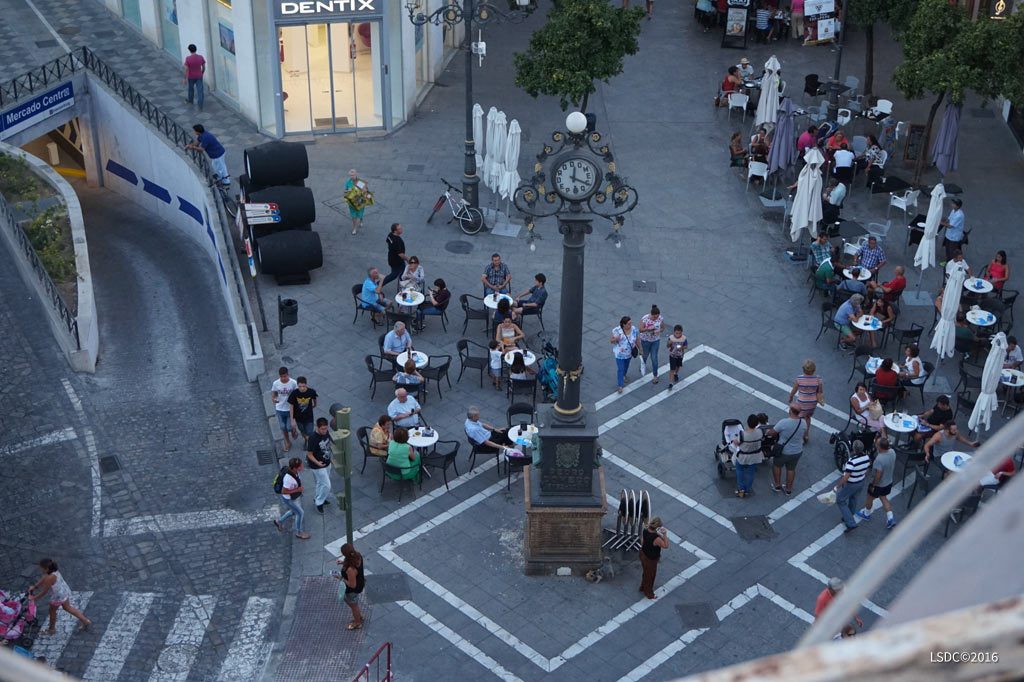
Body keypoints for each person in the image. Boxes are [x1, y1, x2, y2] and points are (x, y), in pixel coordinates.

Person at [28, 558, 91, 635]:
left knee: (52, 611)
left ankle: (51, 629)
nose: (41, 570)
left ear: (46, 569)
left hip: (58, 597)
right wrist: (35, 586)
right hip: (64, 591)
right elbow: (44, 578)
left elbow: (44, 591)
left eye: (42, 568)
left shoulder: (49, 578)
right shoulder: (53, 572)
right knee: (67, 607)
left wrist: (34, 598)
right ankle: (85, 621)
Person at [857, 435, 897, 528]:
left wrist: (873, 484)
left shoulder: (879, 460)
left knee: (869, 498)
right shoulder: (892, 452)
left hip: (878, 485)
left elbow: (878, 475)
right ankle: (890, 518)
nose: (875, 445)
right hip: (888, 482)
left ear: (880, 447)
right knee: (884, 498)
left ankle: (866, 514)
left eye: (876, 444)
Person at [768, 404, 806, 494]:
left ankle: (777, 485)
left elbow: (772, 433)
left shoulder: (784, 422)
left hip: (784, 451)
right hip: (797, 451)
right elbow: (803, 435)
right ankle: (788, 489)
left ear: (791, 411)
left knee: (777, 466)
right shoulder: (803, 423)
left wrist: (768, 432)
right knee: (791, 469)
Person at [835, 440, 871, 532]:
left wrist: (837, 486)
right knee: (853, 499)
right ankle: (849, 515)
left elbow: (846, 477)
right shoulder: (867, 457)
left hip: (852, 484)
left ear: (854, 449)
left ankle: (850, 522)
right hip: (861, 481)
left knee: (840, 499)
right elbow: (867, 470)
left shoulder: (852, 461)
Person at [274, 457, 310, 539]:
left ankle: (279, 521)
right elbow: (283, 491)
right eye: (300, 466)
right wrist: (297, 489)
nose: (302, 467)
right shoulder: (288, 479)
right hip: (289, 499)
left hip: (294, 497)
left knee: (294, 512)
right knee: (300, 513)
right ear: (294, 468)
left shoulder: (293, 471)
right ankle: (299, 532)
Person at [788, 360, 823, 443]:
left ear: (803, 369)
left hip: (801, 402)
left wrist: (791, 397)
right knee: (807, 418)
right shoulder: (818, 379)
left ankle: (794, 433)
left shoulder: (799, 379)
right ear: (814, 370)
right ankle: (806, 435)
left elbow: (794, 390)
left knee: (796, 417)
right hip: (812, 404)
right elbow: (820, 391)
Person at [732, 414, 764, 497]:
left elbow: (738, 443)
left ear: (747, 422)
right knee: (751, 472)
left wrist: (734, 441)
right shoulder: (760, 432)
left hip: (743, 456)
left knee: (739, 470)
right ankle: (747, 489)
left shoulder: (742, 434)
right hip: (755, 456)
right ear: (757, 424)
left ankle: (741, 489)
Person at [305, 417, 333, 514]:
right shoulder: (313, 438)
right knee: (327, 485)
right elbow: (309, 454)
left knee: (320, 483)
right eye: (323, 429)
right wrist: (318, 463)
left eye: (326, 428)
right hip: (317, 466)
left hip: (327, 462)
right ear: (318, 427)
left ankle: (319, 497)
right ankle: (319, 502)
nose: (325, 431)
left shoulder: (326, 432)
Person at [638, 517, 669, 600]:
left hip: (643, 554)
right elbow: (666, 545)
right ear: (657, 527)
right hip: (650, 560)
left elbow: (642, 542)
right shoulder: (656, 538)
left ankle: (642, 586)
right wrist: (665, 534)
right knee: (650, 576)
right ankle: (649, 593)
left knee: (645, 572)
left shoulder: (645, 530)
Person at [337, 543, 365, 630]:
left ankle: (357, 622)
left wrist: (340, 578)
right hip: (360, 583)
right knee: (353, 604)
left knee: (353, 605)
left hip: (352, 590)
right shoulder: (358, 556)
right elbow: (352, 562)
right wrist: (343, 563)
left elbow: (352, 585)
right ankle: (359, 616)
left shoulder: (350, 570)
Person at [271, 366, 299, 452]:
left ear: (288, 375)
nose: (283, 378)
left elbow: (298, 394)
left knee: (289, 427)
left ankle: (294, 430)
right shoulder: (276, 383)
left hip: (290, 409)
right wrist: (273, 399)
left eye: (285, 376)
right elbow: (274, 393)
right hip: (279, 408)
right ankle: (287, 442)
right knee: (283, 427)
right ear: (279, 376)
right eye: (281, 376)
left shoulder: (293, 383)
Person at [611, 316, 641, 393]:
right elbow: (611, 341)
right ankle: (620, 385)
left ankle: (624, 375)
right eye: (628, 324)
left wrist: (640, 349)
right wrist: (616, 339)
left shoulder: (634, 329)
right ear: (623, 324)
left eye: (631, 323)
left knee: (626, 366)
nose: (630, 325)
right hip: (620, 354)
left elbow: (637, 339)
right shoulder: (617, 331)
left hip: (629, 353)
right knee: (620, 369)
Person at [639, 305, 665, 385]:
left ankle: (655, 375)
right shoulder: (645, 319)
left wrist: (659, 331)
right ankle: (643, 365)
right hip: (645, 340)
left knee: (654, 358)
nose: (656, 319)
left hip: (655, 340)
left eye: (657, 317)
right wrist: (648, 329)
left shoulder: (660, 318)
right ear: (651, 314)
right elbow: (640, 329)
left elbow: (663, 328)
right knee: (645, 355)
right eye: (654, 317)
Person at [344, 169, 372, 234]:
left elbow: (365, 191)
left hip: (360, 202)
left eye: (353, 175)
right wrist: (348, 191)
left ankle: (361, 219)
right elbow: (345, 191)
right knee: (353, 216)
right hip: (352, 203)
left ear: (356, 174)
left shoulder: (360, 182)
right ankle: (354, 228)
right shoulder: (348, 182)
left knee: (360, 214)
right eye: (350, 175)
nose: (351, 177)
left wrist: (365, 193)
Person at [382, 223, 407, 288]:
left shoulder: (390, 235)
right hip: (397, 261)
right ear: (395, 231)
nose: (402, 229)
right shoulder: (397, 241)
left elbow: (387, 241)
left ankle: (402, 282)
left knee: (400, 272)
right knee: (394, 275)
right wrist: (408, 259)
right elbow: (400, 254)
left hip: (391, 258)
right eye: (400, 229)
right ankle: (379, 283)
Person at [182, 44, 206, 109]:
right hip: (199, 76)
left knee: (191, 89)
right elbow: (203, 67)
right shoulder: (200, 57)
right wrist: (202, 73)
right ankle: (200, 105)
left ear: (189, 50)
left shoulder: (188, 59)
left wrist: (184, 78)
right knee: (200, 91)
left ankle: (190, 101)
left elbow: (186, 69)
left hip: (191, 77)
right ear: (196, 49)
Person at [666, 324, 688, 390]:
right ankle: (670, 383)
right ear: (674, 332)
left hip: (680, 355)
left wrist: (681, 347)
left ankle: (676, 374)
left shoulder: (684, 338)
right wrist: (669, 343)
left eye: (679, 333)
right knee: (672, 369)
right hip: (672, 355)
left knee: (678, 366)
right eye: (676, 333)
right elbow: (667, 346)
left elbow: (686, 346)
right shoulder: (671, 338)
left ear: (682, 332)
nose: (678, 335)